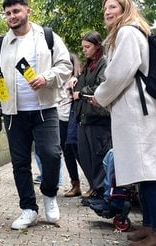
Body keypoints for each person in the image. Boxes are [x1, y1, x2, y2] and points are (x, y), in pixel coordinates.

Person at [0, 0, 72, 229]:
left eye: (16, 11)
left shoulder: (47, 37)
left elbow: (65, 66)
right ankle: (28, 209)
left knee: (52, 154)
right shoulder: (1, 44)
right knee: (20, 163)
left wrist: (46, 77)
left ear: (27, 11)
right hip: (14, 113)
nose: (12, 16)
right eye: (8, 13)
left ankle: (49, 195)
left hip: (45, 109)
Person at [89, 0, 156, 246]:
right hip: (133, 111)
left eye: (113, 7)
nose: (107, 11)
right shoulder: (124, 34)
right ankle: (148, 226)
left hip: (139, 113)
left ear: (125, 9)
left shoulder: (128, 33)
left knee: (148, 171)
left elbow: (118, 74)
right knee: (142, 172)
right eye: (105, 8)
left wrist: (100, 96)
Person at [71, 31, 111, 206]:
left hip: (98, 117)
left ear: (97, 46)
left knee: (98, 155)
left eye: (87, 47)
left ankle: (101, 191)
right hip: (84, 117)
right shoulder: (89, 65)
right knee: (84, 154)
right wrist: (75, 81)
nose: (84, 50)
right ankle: (95, 187)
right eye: (83, 47)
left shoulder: (104, 62)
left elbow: (101, 85)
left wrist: (81, 92)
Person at [60, 52, 83, 197]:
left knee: (79, 152)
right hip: (59, 119)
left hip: (73, 119)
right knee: (67, 153)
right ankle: (75, 184)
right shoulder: (57, 80)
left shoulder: (77, 80)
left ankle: (94, 185)